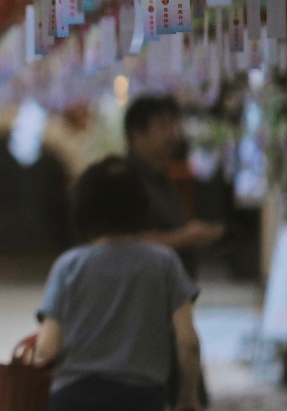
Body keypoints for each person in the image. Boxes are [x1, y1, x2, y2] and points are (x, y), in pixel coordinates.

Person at [33, 157, 202, 411]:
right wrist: (188, 399)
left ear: (83, 208)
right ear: (141, 205)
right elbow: (188, 343)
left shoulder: (68, 266)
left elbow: (47, 349)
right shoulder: (164, 263)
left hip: (73, 399)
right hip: (141, 400)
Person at [124, 95, 225, 278]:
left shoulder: (162, 178)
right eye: (163, 125)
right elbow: (124, 242)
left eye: (174, 125)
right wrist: (185, 237)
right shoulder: (123, 181)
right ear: (136, 134)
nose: (173, 134)